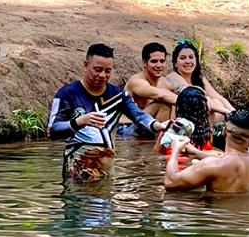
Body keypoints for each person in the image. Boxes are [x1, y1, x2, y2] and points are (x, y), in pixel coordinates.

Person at [48, 43, 169, 183]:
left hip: (106, 171)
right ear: (85, 65)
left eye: (108, 71)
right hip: (76, 173)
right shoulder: (67, 94)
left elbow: (139, 116)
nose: (102, 75)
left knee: (106, 201)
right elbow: (52, 131)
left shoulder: (118, 95)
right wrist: (79, 122)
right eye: (98, 70)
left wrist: (157, 125)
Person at [164, 109, 249, 194]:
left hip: (219, 216)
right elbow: (229, 160)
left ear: (224, 131)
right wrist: (196, 152)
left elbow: (170, 183)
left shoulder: (214, 165)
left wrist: (175, 151)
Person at [168, 40, 234, 122]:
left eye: (191, 57)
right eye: (183, 58)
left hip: (201, 120)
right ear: (175, 63)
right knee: (212, 107)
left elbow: (218, 97)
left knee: (217, 101)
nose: (188, 61)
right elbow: (198, 97)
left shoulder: (199, 77)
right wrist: (227, 112)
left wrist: (235, 113)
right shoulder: (173, 77)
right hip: (181, 120)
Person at [154, 86, 216, 159]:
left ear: (179, 107)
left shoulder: (170, 129)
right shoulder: (207, 132)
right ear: (203, 109)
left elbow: (156, 155)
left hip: (173, 165)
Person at [125, 42, 180, 122]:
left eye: (162, 61)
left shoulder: (165, 82)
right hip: (126, 126)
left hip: (150, 125)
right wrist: (186, 102)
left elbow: (182, 90)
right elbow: (160, 95)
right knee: (162, 104)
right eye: (154, 61)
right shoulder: (136, 81)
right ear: (144, 63)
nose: (159, 65)